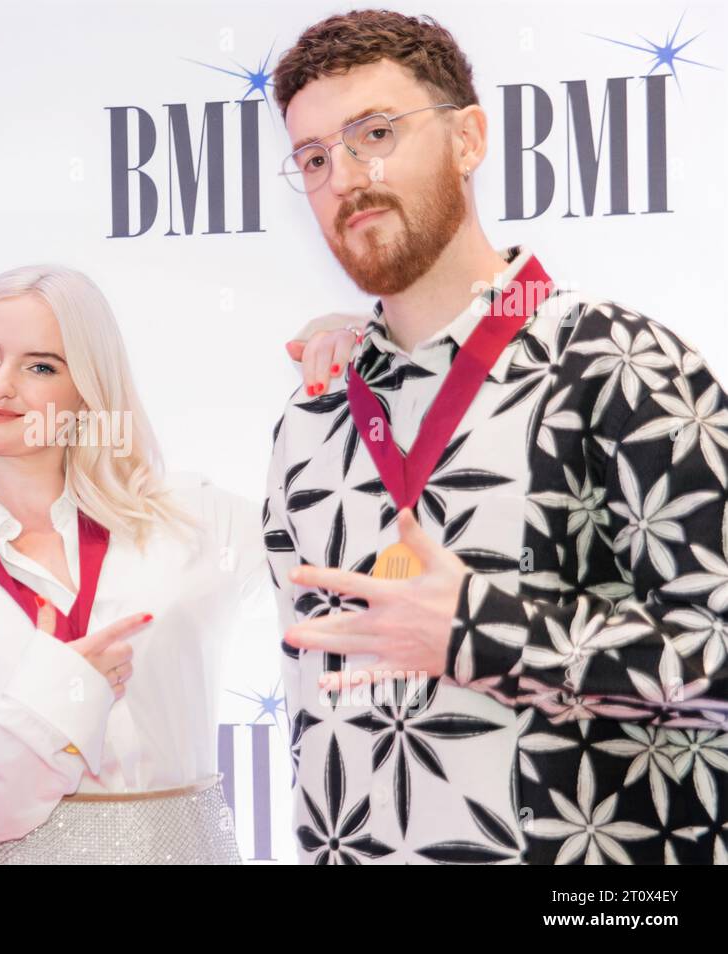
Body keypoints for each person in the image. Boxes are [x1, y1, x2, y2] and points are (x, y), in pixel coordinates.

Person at [266, 10, 728, 864]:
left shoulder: (622, 366)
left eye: (376, 133)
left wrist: (479, 631)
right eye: (316, 157)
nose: (345, 177)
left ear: (469, 138)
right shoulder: (313, 418)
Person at [0, 265, 267, 863]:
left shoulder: (196, 521)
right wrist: (49, 702)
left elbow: (349, 549)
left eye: (40, 366)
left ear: (89, 391)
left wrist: (355, 384)